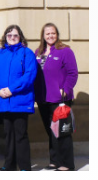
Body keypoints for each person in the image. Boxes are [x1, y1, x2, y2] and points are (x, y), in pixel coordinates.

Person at [0, 25, 37, 171]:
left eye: (15, 35)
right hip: (3, 101)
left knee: (20, 135)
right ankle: (9, 166)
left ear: (20, 37)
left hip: (20, 101)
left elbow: (29, 75)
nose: (12, 38)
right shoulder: (0, 54)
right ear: (5, 37)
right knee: (8, 135)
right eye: (9, 35)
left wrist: (11, 89)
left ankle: (24, 167)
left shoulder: (27, 53)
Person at [34, 23, 78, 171]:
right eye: (47, 34)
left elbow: (73, 73)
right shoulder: (38, 52)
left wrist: (65, 89)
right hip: (42, 98)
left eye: (53, 33)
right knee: (51, 131)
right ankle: (54, 160)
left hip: (60, 98)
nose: (50, 36)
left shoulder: (65, 51)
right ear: (43, 36)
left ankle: (66, 164)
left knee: (62, 131)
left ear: (57, 34)